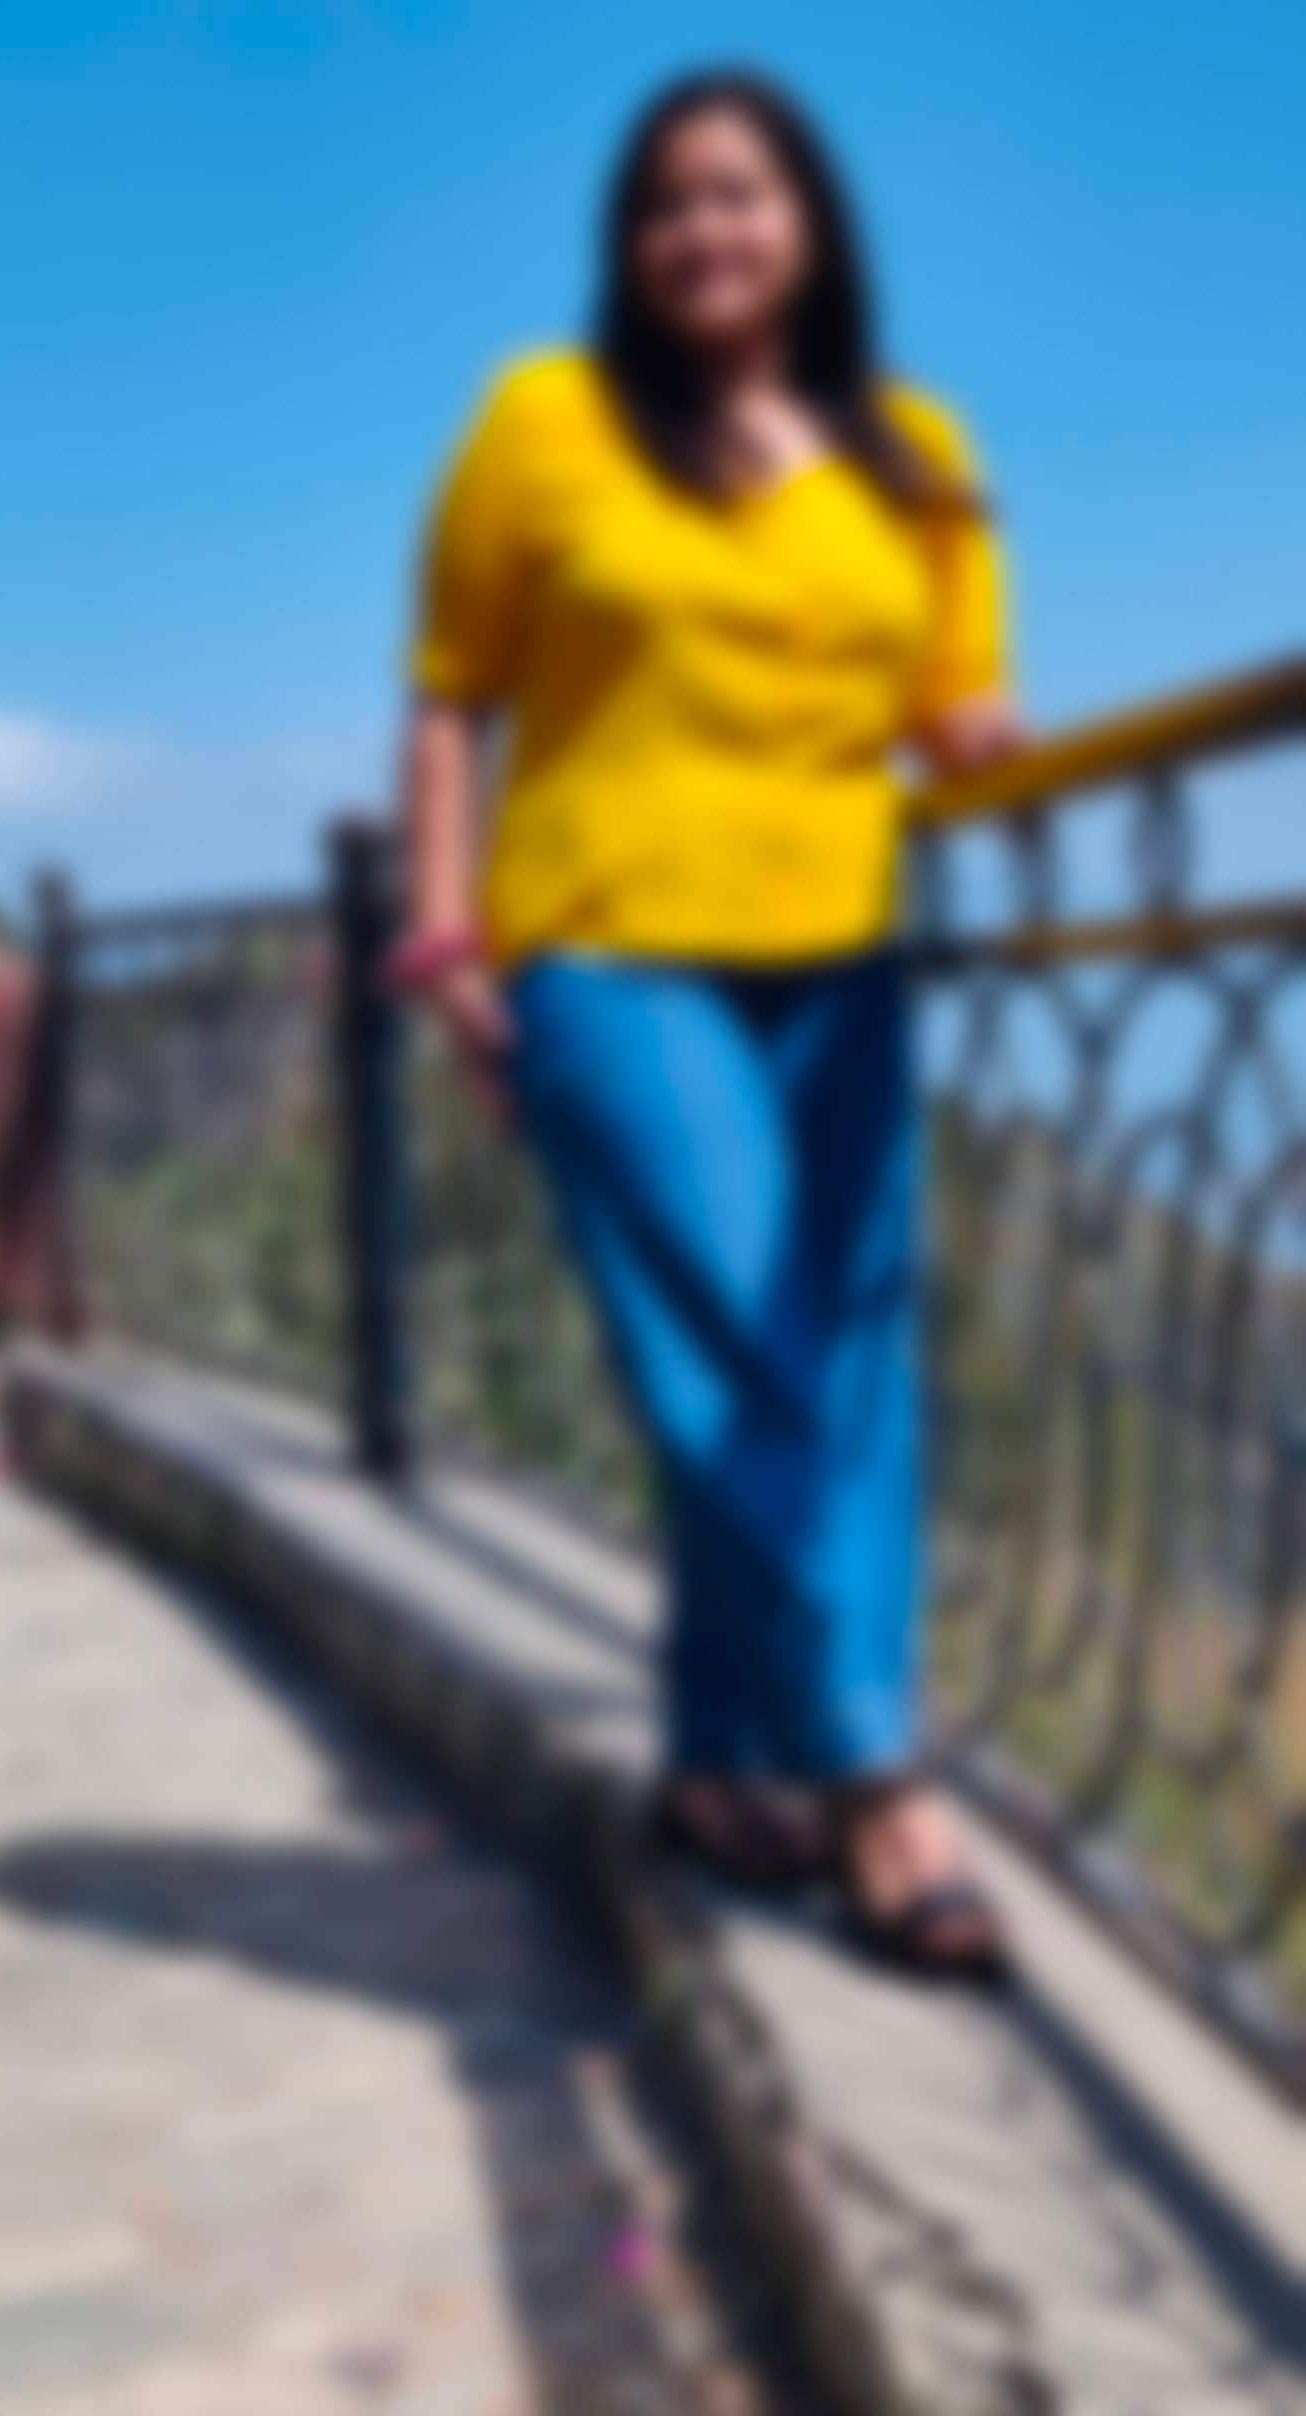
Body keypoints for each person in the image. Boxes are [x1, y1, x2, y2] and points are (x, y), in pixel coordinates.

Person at [393, 69, 1025, 1981]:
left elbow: (956, 697)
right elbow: (451, 695)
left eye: (741, 194)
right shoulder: (548, 418)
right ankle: (879, 1781)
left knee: (852, 1352)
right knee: (746, 1353)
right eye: (667, 203)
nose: (705, 231)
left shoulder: (916, 451)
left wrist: (979, 740)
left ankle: (716, 1756)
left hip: (841, 958)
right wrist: (444, 939)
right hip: (611, 954)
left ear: (809, 224)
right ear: (629, 245)